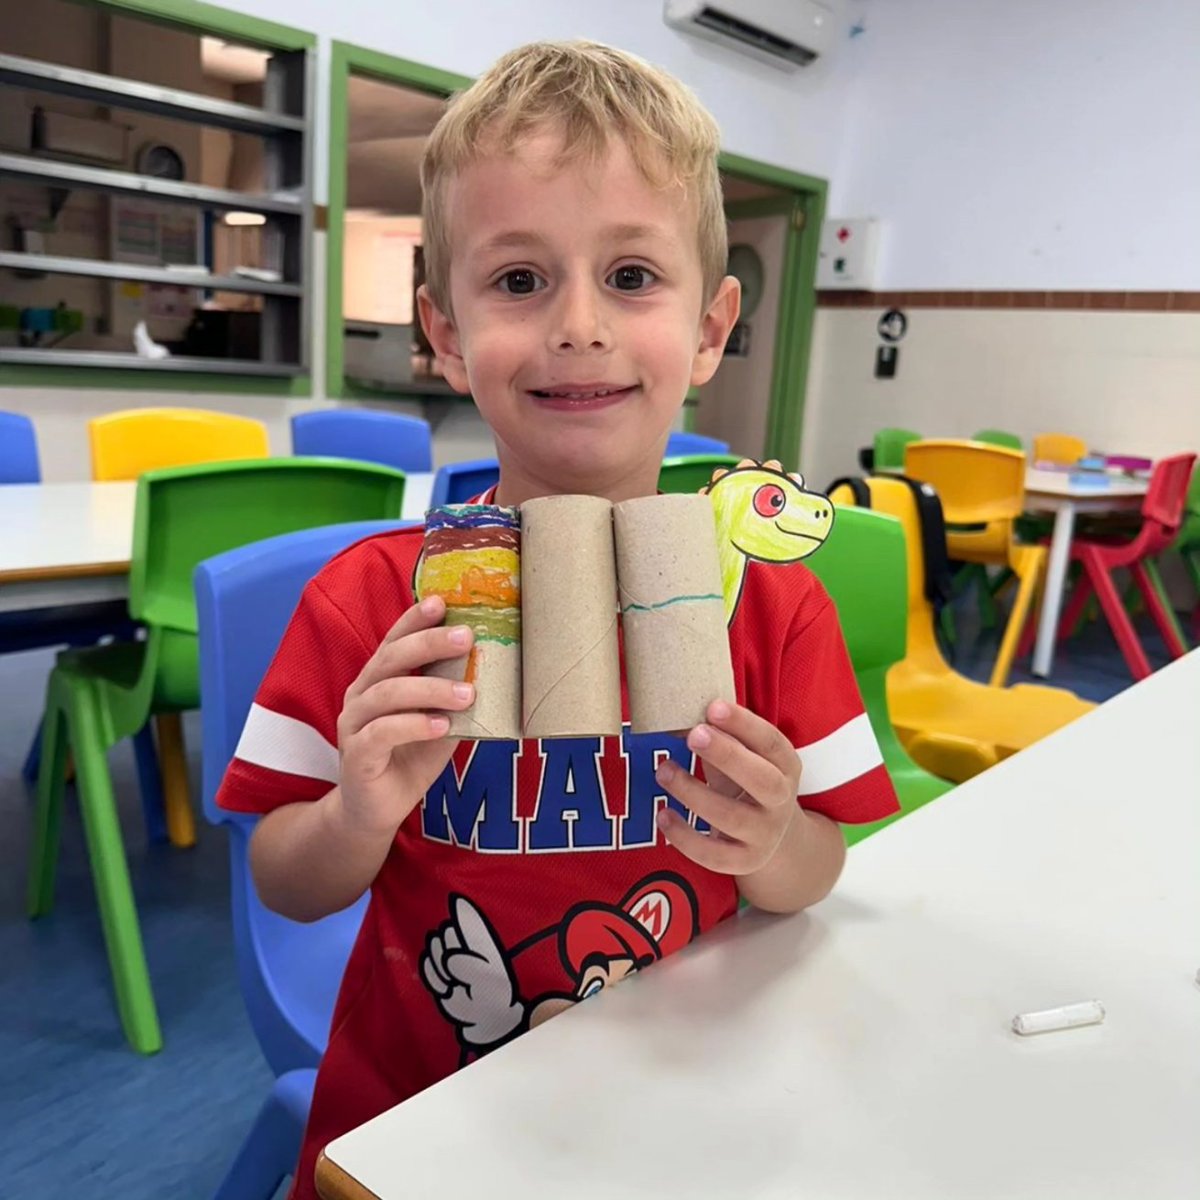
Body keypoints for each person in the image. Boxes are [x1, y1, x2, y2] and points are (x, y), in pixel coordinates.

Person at [216, 39, 898, 1199]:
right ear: (443, 330)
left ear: (710, 326)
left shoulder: (772, 601)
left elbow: (820, 868)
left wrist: (775, 840)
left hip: (683, 1094)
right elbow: (288, 883)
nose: (578, 324)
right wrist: (360, 809)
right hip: (423, 1101)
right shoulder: (372, 602)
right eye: (520, 280)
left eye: (631, 277)